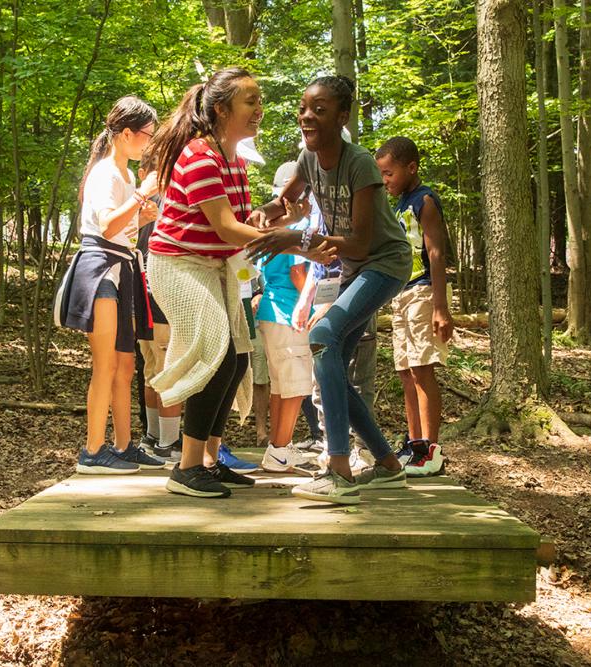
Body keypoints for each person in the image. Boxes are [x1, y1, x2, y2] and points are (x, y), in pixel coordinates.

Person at [247, 75, 411, 504]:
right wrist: (263, 215)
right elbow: (285, 204)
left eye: (319, 110)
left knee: (321, 338)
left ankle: (338, 468)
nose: (307, 117)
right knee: (332, 356)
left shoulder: (359, 164)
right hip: (357, 267)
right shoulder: (307, 158)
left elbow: (358, 241)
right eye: (304, 109)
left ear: (342, 116)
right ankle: (388, 464)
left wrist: (294, 241)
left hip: (384, 263)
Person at [145, 68, 291, 498]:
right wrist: (296, 243)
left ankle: (209, 459)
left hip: (214, 265)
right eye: (251, 101)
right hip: (178, 265)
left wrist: (283, 215)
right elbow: (227, 228)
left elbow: (241, 223)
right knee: (217, 354)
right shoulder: (199, 156)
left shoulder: (235, 160)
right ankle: (186, 468)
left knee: (239, 358)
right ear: (221, 108)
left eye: (259, 100)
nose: (259, 109)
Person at [56, 96, 167, 474]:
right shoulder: (105, 173)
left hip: (123, 267)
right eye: (146, 136)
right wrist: (142, 197)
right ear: (125, 134)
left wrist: (141, 211)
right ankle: (92, 450)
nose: (148, 144)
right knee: (104, 364)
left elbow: (124, 228)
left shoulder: (127, 175)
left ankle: (122, 444)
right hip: (100, 269)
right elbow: (105, 227)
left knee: (126, 364)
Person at [375, 136, 453, 476]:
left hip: (424, 293)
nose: (385, 181)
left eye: (389, 173)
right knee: (405, 371)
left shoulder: (425, 201)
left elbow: (435, 253)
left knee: (422, 369)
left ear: (411, 168)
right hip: (401, 293)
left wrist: (440, 307)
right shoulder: (398, 204)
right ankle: (414, 443)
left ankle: (431, 449)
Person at [256, 162, 320, 476]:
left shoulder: (272, 227)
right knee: (295, 386)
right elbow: (298, 272)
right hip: (289, 312)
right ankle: (279, 451)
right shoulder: (297, 226)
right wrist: (314, 303)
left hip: (271, 312)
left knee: (282, 386)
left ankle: (279, 448)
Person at [134, 149, 183, 464]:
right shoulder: (164, 204)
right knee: (168, 372)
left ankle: (154, 437)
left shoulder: (138, 206)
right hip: (161, 298)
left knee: (153, 370)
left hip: (142, 298)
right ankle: (168, 442)